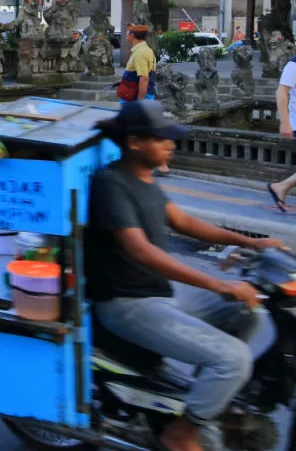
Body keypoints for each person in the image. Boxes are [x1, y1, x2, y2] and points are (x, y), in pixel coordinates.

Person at [88, 100, 281, 451]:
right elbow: (140, 250)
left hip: (160, 294)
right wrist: (217, 283)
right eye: (161, 139)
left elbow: (184, 222)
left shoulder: (145, 180)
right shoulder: (111, 183)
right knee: (231, 359)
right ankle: (181, 434)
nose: (171, 145)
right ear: (134, 142)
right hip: (127, 304)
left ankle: (204, 398)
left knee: (250, 309)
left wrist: (251, 242)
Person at [266, 51, 296, 212]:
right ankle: (281, 187)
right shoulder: (294, 64)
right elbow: (281, 92)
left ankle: (281, 187)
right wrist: (285, 123)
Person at [120, 24, 156, 103]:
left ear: (132, 35)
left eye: (127, 32)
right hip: (132, 94)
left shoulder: (141, 52)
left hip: (136, 97)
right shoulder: (142, 50)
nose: (126, 34)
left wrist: (140, 102)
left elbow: (144, 78)